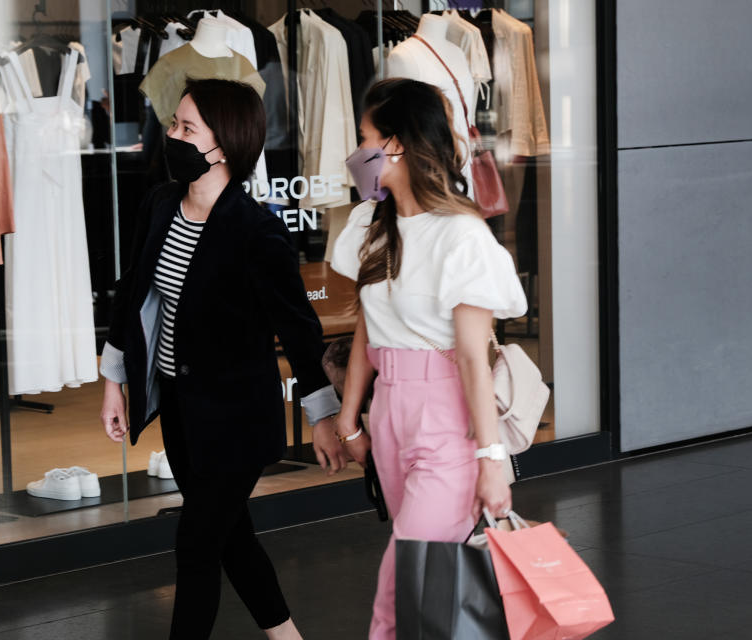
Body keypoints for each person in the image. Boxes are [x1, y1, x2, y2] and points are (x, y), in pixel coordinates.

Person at [98, 78, 347, 640]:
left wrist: (323, 417)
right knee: (229, 535)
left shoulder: (257, 232)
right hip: (182, 411)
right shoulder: (162, 204)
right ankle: (286, 636)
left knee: (196, 543)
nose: (172, 136)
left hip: (236, 420)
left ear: (225, 146)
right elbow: (134, 289)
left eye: (187, 128)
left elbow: (299, 332)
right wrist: (116, 379)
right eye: (174, 124)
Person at [329, 78, 528, 639]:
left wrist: (493, 459)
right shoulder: (375, 225)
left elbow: (471, 356)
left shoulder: (461, 236)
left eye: (365, 138)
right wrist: (350, 417)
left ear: (396, 144)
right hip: (390, 414)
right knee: (428, 587)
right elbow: (370, 320)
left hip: (447, 422)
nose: (358, 151)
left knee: (401, 587)